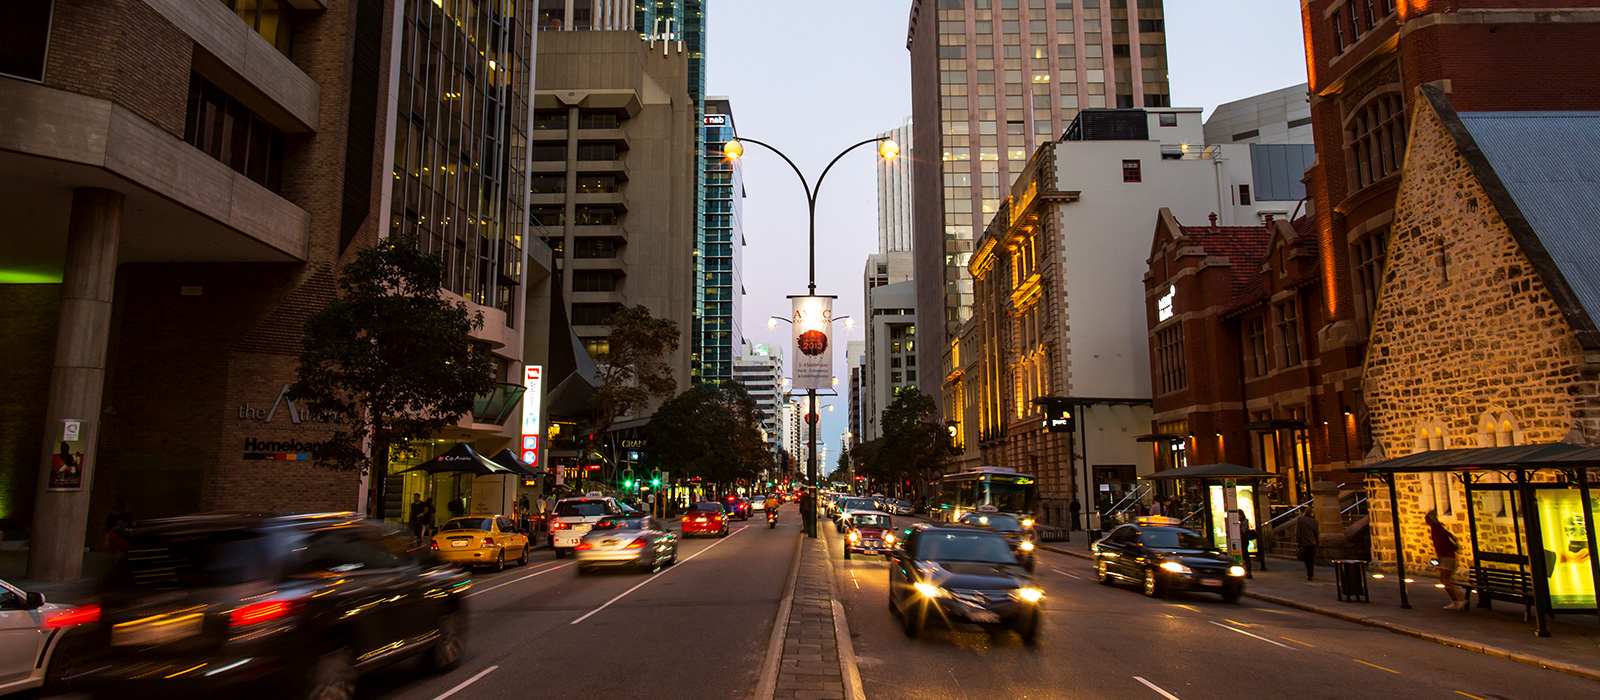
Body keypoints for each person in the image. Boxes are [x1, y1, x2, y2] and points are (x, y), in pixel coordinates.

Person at [1427, 509, 1467, 610]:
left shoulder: (1437, 530)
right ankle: (1460, 599)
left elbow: (1441, 545)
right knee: (1448, 579)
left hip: (1446, 557)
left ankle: (1458, 601)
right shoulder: (1437, 529)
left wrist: (1440, 558)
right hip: (1446, 557)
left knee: (1445, 579)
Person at [1295, 507, 1320, 580]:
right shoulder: (1315, 522)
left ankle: (1309, 572)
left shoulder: (1300, 520)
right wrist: (1317, 542)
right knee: (1311, 559)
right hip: (1312, 542)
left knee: (1306, 558)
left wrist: (1298, 541)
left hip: (1304, 542)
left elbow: (1298, 532)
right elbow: (1316, 533)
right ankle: (1310, 573)